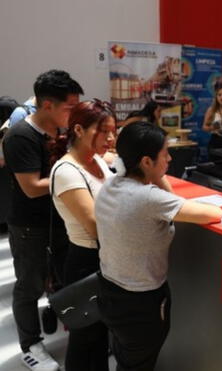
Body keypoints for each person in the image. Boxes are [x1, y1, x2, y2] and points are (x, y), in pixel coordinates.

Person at [95, 121, 222, 371]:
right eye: (165, 153)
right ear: (145, 161)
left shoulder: (112, 183)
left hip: (109, 291)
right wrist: (158, 177)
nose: (170, 158)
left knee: (128, 359)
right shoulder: (148, 198)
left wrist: (156, 174)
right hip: (141, 304)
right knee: (140, 363)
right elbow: (213, 212)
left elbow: (169, 199)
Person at [2, 69, 83, 371]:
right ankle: (30, 345)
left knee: (66, 277)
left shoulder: (61, 132)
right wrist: (75, 177)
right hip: (29, 227)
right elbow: (32, 187)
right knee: (29, 286)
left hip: (61, 220)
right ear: (47, 105)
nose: (73, 113)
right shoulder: (21, 135)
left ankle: (75, 325)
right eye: (69, 107)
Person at [49, 99, 116, 371]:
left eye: (115, 131)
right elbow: (95, 227)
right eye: (104, 132)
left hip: (106, 256)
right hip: (86, 260)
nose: (111, 138)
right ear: (78, 130)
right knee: (84, 336)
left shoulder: (97, 159)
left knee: (99, 336)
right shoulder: (67, 171)